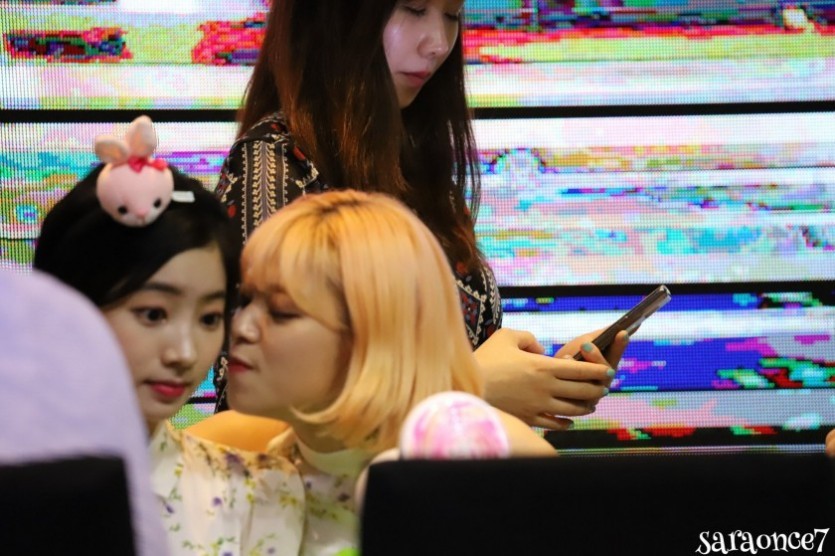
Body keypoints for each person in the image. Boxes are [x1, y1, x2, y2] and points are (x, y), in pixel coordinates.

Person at [214, 0, 629, 428]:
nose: (438, 44)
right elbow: (258, 414)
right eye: (414, 9)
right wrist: (468, 388)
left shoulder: (414, 161)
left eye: (451, 16)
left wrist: (534, 380)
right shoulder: (276, 166)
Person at [195, 189, 554, 555]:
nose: (240, 327)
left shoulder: (501, 465)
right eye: (245, 300)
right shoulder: (235, 467)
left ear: (373, 334)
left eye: (281, 312)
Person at [0, 268, 169, 556]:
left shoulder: (53, 317)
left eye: (210, 318)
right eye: (152, 314)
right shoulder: (54, 318)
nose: (184, 354)